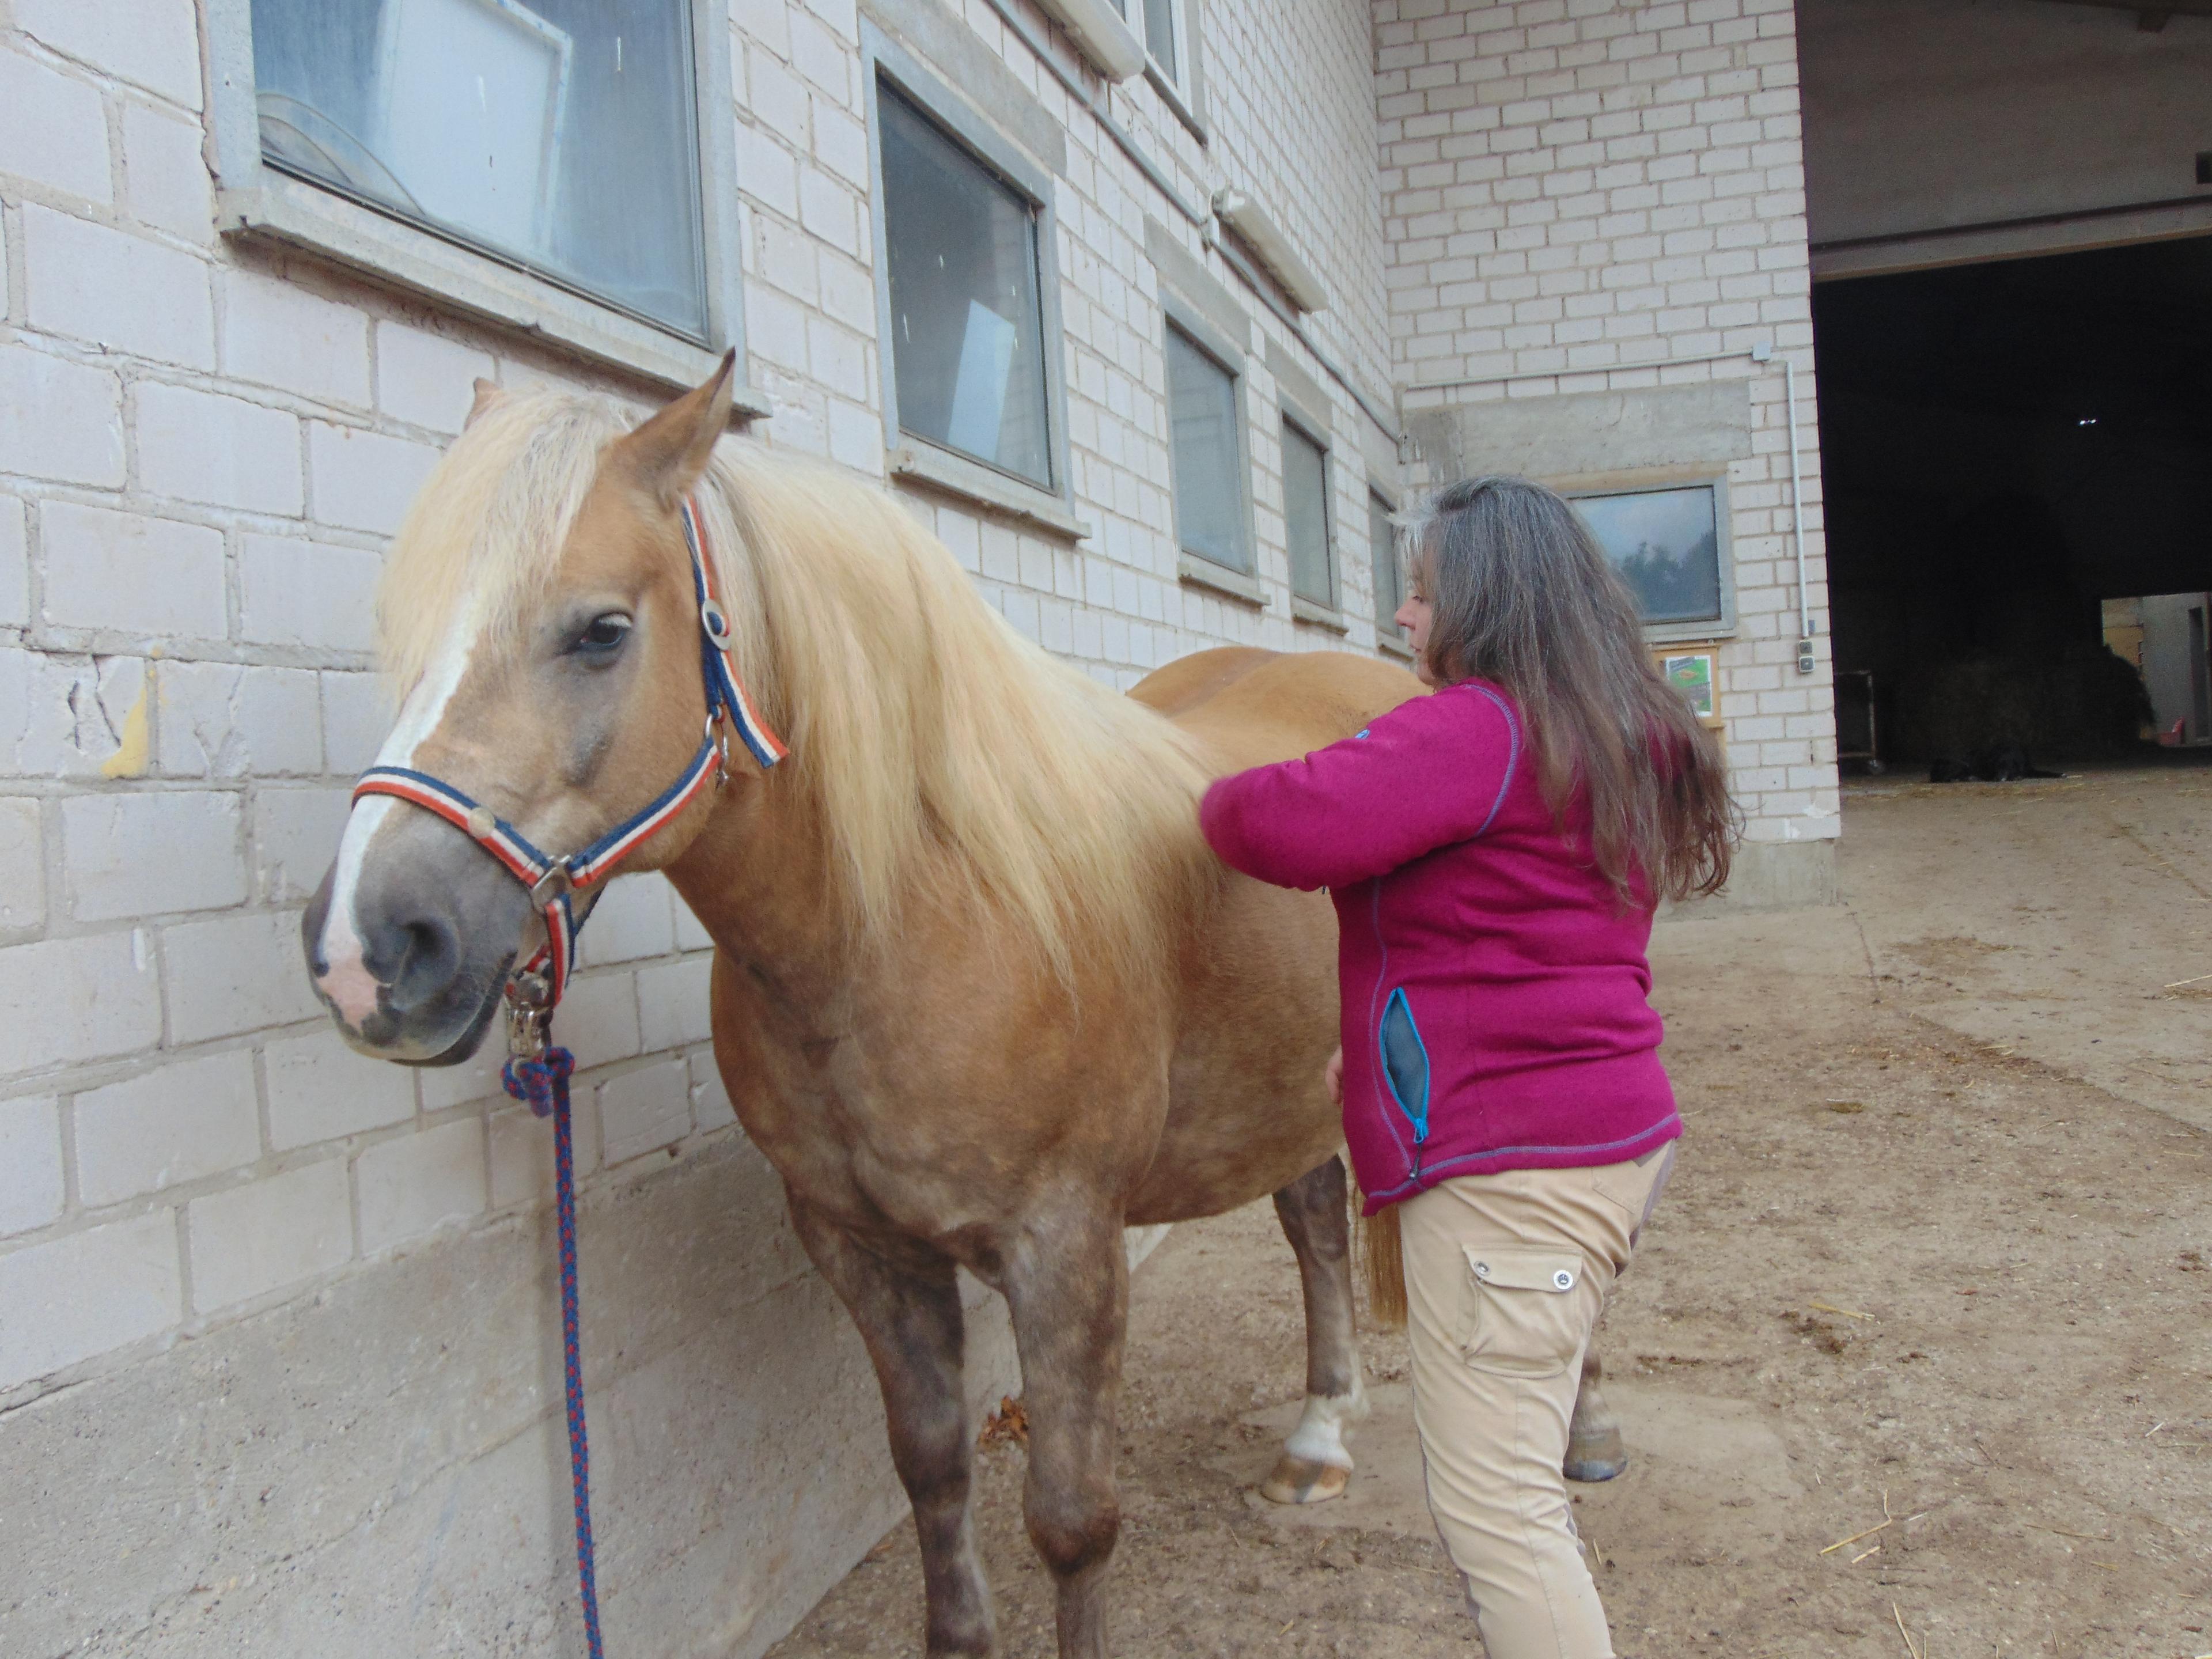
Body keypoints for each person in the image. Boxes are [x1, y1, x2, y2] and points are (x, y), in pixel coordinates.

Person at [1199, 476, 1734, 1659]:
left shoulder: (1479, 732)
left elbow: (1276, 822)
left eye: (1424, 594)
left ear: (1484, 603)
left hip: (1514, 1177)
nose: (1402, 618)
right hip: (1608, 1141)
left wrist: (1184, 782)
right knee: (1515, 1484)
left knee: (1503, 1518)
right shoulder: (1620, 728)